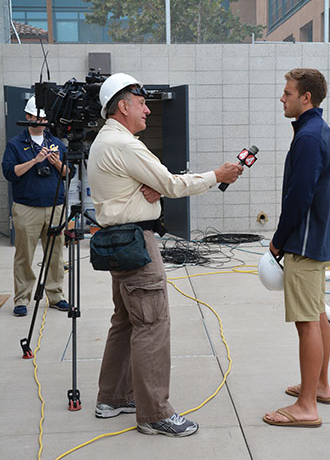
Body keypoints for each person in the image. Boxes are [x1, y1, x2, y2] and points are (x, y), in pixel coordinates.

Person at [87, 72, 243, 437]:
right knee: (152, 324)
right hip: (136, 245)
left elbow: (151, 186)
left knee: (125, 321)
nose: (148, 112)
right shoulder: (125, 145)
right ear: (122, 106)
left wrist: (151, 189)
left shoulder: (104, 141)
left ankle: (111, 398)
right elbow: (171, 184)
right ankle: (154, 413)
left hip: (117, 243)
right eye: (142, 104)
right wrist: (216, 174)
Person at [263, 68, 330, 428]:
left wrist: (278, 240)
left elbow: (299, 197)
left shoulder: (309, 137)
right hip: (316, 239)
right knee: (318, 314)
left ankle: (307, 406)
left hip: (305, 244)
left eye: (287, 93)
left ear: (305, 97)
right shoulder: (316, 131)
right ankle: (320, 385)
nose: (282, 98)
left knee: (307, 322)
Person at [2, 96, 71, 317]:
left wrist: (55, 161)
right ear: (28, 117)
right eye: (36, 117)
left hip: (54, 206)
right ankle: (22, 299)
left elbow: (68, 174)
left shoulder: (56, 143)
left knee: (56, 254)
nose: (41, 122)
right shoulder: (15, 144)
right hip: (26, 208)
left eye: (44, 118)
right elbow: (10, 173)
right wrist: (35, 161)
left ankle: (56, 295)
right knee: (24, 255)